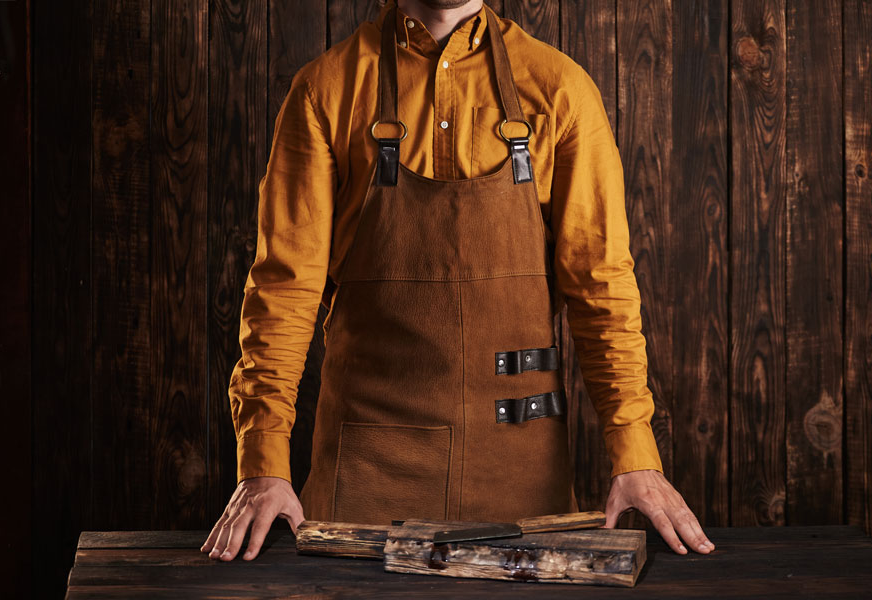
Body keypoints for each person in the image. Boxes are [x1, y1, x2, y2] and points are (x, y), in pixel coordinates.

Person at [201, 0, 715, 562]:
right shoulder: (326, 91)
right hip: (363, 494)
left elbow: (602, 291)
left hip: (523, 494)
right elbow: (283, 292)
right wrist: (263, 463)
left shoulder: (560, 90)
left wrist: (635, 453)